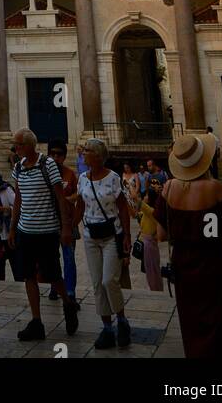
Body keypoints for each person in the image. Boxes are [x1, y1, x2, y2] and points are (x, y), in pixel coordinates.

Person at [153, 132, 222, 359]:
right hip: (213, 264)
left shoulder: (169, 188)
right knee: (221, 327)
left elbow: (161, 235)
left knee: (192, 326)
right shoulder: (214, 189)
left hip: (183, 266)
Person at [8, 128, 75, 341]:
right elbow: (18, 199)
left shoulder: (48, 166)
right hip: (25, 231)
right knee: (28, 275)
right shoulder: (18, 167)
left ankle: (67, 303)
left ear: (29, 145)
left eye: (18, 144)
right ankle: (36, 322)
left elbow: (61, 199)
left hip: (47, 231)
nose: (15, 148)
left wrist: (66, 228)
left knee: (52, 275)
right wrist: (12, 228)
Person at [76, 138, 133, 349]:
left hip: (111, 235)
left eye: (87, 151)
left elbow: (123, 207)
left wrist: (126, 235)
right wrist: (67, 227)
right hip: (91, 235)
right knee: (97, 282)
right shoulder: (82, 178)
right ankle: (107, 328)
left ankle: (122, 320)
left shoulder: (113, 178)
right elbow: (80, 207)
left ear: (98, 156)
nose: (83, 153)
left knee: (110, 280)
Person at [47, 141, 79, 310]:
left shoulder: (70, 174)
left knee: (69, 258)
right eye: (52, 154)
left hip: (68, 221)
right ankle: (55, 287)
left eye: (59, 154)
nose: (55, 157)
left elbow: (77, 193)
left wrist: (66, 200)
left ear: (65, 156)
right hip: (50, 222)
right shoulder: (45, 175)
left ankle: (70, 292)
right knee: (52, 258)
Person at [137, 186, 163, 291]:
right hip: (146, 242)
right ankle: (155, 288)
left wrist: (129, 187)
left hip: (150, 243)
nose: (145, 196)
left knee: (152, 269)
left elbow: (137, 200)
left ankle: (156, 289)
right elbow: (136, 214)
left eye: (147, 195)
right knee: (149, 268)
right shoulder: (147, 211)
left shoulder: (151, 211)